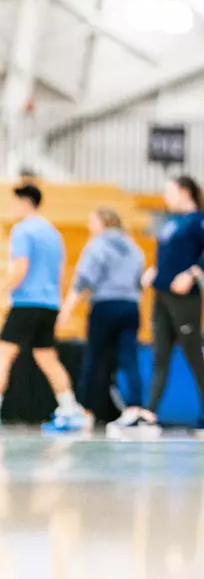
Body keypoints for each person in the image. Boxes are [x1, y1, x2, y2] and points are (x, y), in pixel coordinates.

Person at [116, 176, 204, 435]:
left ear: (185, 192)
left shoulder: (199, 221)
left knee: (193, 354)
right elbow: (168, 255)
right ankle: (150, 414)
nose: (165, 196)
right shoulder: (171, 221)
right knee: (159, 354)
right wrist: (154, 270)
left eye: (169, 191)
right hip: (161, 295)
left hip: (184, 299)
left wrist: (191, 274)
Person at [0, 184, 85, 431]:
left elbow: (20, 269)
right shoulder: (52, 233)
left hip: (26, 302)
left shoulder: (22, 231)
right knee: (47, 357)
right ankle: (69, 408)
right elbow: (59, 273)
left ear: (26, 203)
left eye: (16, 202)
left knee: (4, 355)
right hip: (49, 304)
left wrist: (3, 288)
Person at [57, 207, 144, 429]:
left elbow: (82, 279)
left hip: (105, 305)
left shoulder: (97, 245)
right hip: (130, 307)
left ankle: (87, 410)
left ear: (103, 223)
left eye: (92, 221)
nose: (89, 226)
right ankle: (134, 408)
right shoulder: (134, 247)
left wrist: (66, 310)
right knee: (129, 359)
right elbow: (139, 281)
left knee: (93, 359)